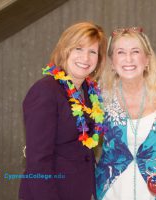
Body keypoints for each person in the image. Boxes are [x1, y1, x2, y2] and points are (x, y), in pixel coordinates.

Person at [95, 27, 156, 200]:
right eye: (120, 52)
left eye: (135, 51)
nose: (128, 59)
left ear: (147, 59)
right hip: (111, 192)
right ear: (111, 61)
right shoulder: (100, 95)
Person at [19, 22, 107, 200]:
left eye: (92, 52)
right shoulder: (45, 91)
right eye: (79, 49)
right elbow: (38, 162)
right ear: (64, 50)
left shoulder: (90, 93)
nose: (86, 58)